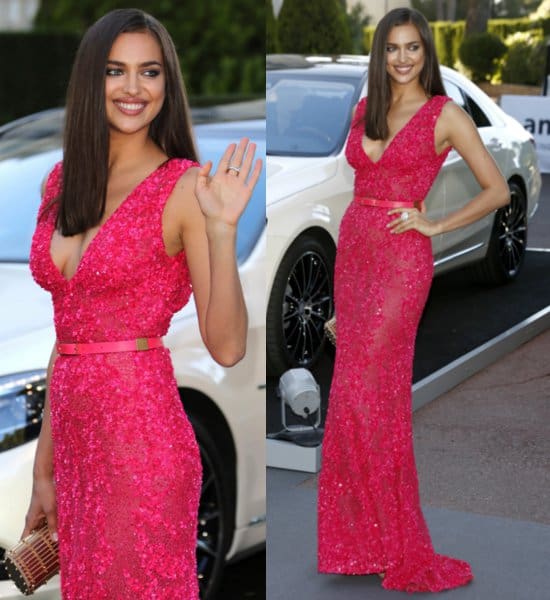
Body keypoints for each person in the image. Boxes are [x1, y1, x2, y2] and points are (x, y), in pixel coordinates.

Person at [22, 8, 261, 599]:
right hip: (77, 457)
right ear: (90, 80)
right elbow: (68, 338)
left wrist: (223, 229)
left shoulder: (185, 187)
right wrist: (43, 471)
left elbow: (228, 346)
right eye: (116, 70)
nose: (133, 88)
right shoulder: (60, 183)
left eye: (149, 72)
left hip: (143, 454)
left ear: (167, 84)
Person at [317, 7, 509, 593]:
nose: (402, 58)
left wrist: (437, 225)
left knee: (365, 397)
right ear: (381, 54)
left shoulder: (444, 115)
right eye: (392, 48)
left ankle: (398, 540)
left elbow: (497, 189)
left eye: (412, 48)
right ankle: (362, 541)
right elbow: (356, 188)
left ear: (427, 53)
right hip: (354, 259)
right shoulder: (363, 110)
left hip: (402, 265)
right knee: (354, 399)